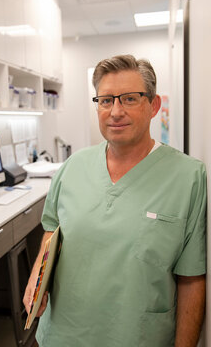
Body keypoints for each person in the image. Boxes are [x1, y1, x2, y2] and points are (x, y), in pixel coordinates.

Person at [23, 54, 207, 347]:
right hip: (63, 334)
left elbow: (192, 278)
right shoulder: (72, 168)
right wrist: (36, 275)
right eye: (106, 100)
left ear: (153, 105)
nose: (115, 111)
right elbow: (52, 230)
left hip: (137, 335)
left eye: (130, 99)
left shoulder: (189, 178)